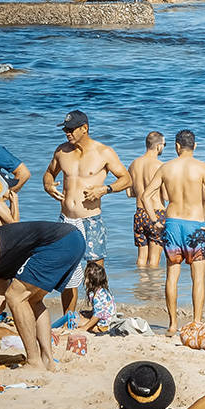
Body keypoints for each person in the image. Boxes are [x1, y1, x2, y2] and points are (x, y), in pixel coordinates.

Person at [0, 220, 86, 370]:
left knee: (16, 297)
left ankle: (33, 361)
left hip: (60, 241)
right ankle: (47, 360)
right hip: (73, 240)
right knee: (33, 301)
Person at [42, 109, 130, 316]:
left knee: (95, 271)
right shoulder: (61, 151)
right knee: (67, 269)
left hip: (90, 219)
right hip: (66, 220)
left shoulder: (103, 152)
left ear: (85, 128)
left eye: (71, 129)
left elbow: (126, 179)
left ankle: (100, 315)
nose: (67, 133)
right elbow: (49, 173)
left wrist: (105, 189)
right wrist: (47, 185)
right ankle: (69, 317)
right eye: (65, 129)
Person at [145, 129, 205, 333]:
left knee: (172, 276)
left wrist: (154, 221)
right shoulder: (202, 168)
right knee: (198, 278)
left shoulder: (166, 167)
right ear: (194, 146)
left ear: (177, 147)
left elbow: (145, 196)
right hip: (195, 224)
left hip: (172, 223)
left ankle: (172, 324)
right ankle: (196, 323)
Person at [128, 131, 167, 267]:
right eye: (164, 145)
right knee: (154, 261)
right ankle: (153, 288)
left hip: (139, 213)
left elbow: (129, 193)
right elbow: (166, 196)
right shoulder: (160, 166)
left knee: (141, 258)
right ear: (158, 146)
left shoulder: (134, 164)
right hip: (156, 213)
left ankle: (141, 284)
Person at [78, 260, 115, 332]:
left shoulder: (96, 295)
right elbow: (101, 309)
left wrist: (84, 328)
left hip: (103, 326)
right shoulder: (103, 291)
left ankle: (93, 328)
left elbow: (98, 315)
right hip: (109, 321)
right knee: (81, 313)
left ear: (89, 281)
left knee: (75, 321)